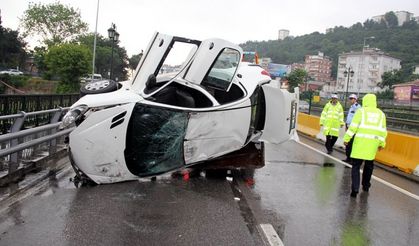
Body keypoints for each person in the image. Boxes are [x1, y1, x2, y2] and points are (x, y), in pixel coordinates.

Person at [343, 94, 387, 198]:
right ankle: (366, 186)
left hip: (360, 144)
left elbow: (353, 127)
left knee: (356, 166)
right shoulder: (381, 114)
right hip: (372, 145)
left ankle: (355, 189)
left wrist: (346, 139)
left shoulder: (361, 111)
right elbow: (383, 131)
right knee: (369, 165)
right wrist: (382, 143)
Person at [342, 94, 362, 163]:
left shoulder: (358, 107)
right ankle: (348, 158)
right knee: (348, 144)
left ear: (355, 99)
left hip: (353, 128)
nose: (350, 100)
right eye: (350, 98)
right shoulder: (351, 107)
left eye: (352, 98)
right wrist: (346, 126)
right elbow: (349, 118)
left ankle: (351, 159)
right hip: (349, 127)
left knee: (351, 144)